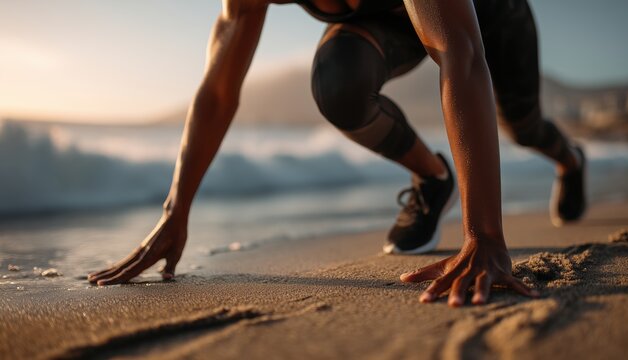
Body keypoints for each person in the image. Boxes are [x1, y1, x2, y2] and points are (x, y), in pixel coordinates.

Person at [88, 0, 586, 307]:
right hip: (388, 21)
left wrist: (484, 235)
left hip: (491, 15)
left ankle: (571, 160)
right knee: (338, 81)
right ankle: (434, 179)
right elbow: (218, 91)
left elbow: (461, 50)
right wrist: (176, 211)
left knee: (525, 127)